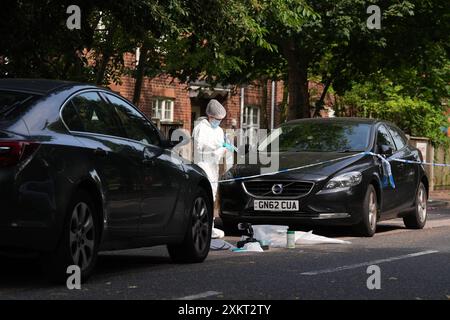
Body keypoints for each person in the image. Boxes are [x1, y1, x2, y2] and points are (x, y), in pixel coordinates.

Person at [192, 99, 235, 238]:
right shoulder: (201, 128)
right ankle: (201, 227)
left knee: (212, 196)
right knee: (204, 197)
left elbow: (220, 147)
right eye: (217, 119)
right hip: (204, 166)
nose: (219, 122)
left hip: (213, 169)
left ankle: (209, 226)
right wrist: (221, 148)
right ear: (210, 116)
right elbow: (203, 150)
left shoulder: (218, 130)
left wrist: (225, 146)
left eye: (221, 120)